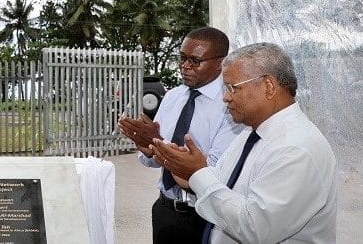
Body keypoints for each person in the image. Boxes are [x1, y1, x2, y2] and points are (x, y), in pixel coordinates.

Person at [151, 42, 337, 243]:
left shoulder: (295, 148)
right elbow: (226, 183)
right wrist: (190, 173)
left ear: (269, 86)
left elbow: (256, 228)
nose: (225, 97)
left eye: (232, 88)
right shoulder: (251, 132)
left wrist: (198, 174)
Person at [118, 26, 243, 243]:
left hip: (206, 216)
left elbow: (215, 170)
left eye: (195, 61)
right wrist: (147, 147)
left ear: (220, 63)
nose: (185, 66)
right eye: (182, 58)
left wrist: (159, 144)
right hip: (165, 209)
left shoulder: (230, 104)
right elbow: (153, 162)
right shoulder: (172, 97)